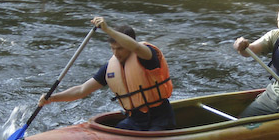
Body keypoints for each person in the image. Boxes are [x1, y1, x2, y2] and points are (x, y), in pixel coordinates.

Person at [39, 16, 176, 131]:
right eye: (112, 48)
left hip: (161, 118)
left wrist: (107, 29)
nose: (116, 53)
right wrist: (52, 98)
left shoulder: (147, 56)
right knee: (120, 130)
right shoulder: (110, 68)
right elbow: (82, 90)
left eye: (120, 48)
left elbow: (135, 47)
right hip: (135, 120)